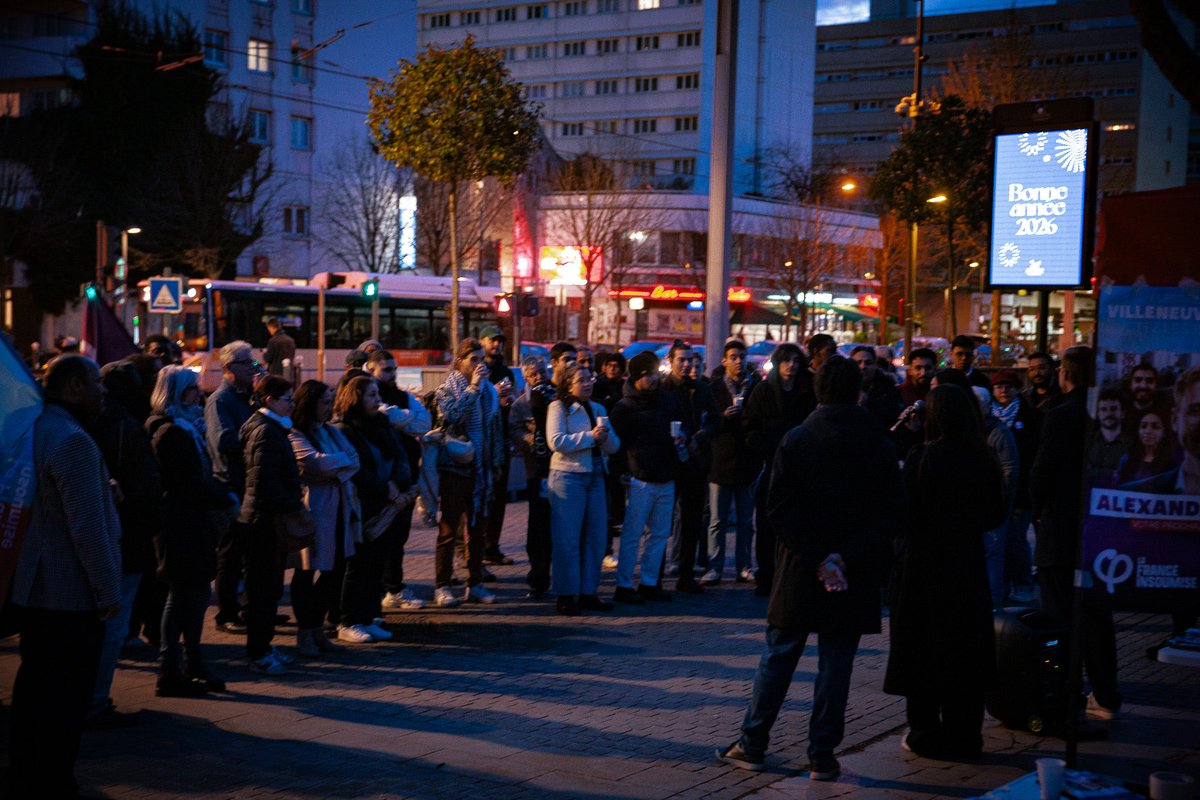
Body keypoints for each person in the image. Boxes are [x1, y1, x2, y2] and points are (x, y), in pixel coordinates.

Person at [718, 357, 901, 780]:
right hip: (853, 570)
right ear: (857, 391)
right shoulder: (877, 441)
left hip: (802, 566)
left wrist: (819, 557)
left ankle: (753, 742)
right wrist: (844, 558)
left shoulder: (799, 438)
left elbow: (779, 508)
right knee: (837, 663)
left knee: (780, 654)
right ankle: (822, 753)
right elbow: (891, 512)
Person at [8, 355, 122, 800]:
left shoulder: (35, 429)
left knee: (34, 685)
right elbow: (87, 529)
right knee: (65, 694)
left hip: (35, 587)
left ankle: (25, 773)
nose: (103, 390)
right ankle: (53, 780)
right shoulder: (73, 440)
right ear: (75, 385)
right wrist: (107, 590)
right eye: (96, 382)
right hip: (69, 593)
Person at [885, 383, 1007, 761]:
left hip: (925, 567)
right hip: (966, 565)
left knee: (923, 650)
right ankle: (965, 735)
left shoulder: (924, 456)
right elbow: (995, 513)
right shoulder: (983, 456)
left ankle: (924, 732)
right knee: (964, 652)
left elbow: (904, 512)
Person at [1031, 346, 1122, 720]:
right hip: (1100, 529)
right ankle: (1106, 693)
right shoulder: (1107, 413)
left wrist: (1038, 512)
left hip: (1062, 530)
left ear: (1065, 374)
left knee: (1059, 617)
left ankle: (1064, 692)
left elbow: (1042, 473)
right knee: (1096, 617)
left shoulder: (1061, 413)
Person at [146, 365, 233, 696]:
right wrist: (223, 496)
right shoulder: (170, 431)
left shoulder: (186, 426)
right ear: (175, 392)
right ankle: (171, 669)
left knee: (193, 594)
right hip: (180, 523)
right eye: (192, 389)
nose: (199, 394)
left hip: (191, 520)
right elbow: (187, 482)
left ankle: (190, 662)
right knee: (183, 594)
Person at [87, 360, 162, 726]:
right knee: (112, 622)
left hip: (95, 534)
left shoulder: (86, 423)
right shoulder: (127, 427)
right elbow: (146, 488)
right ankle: (95, 700)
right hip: (125, 535)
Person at [334, 375, 413, 642]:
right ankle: (348, 621)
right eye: (371, 395)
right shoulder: (345, 429)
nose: (378, 400)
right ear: (356, 398)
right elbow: (356, 468)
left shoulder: (382, 423)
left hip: (387, 503)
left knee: (377, 562)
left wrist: (397, 483)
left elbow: (401, 455)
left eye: (377, 394)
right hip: (363, 504)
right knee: (358, 565)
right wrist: (384, 488)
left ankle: (368, 617)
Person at [238, 375, 305, 675]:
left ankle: (263, 647)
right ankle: (258, 652)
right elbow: (263, 480)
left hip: (264, 517)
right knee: (262, 590)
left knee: (267, 589)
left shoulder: (269, 427)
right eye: (287, 399)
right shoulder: (265, 431)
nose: (292, 404)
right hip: (262, 520)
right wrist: (292, 503)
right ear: (270, 400)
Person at [289, 380, 360, 655]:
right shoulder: (295, 433)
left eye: (330, 401)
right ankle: (305, 632)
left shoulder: (330, 430)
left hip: (339, 507)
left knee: (336, 570)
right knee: (306, 572)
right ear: (310, 403)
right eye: (325, 402)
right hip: (314, 510)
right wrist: (338, 464)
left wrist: (333, 466)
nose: (329, 407)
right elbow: (314, 463)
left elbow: (354, 459)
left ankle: (316, 628)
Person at [433, 338, 505, 607]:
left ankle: (474, 584)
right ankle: (442, 585)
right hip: (455, 468)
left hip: (481, 468)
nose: (479, 364)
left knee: (477, 530)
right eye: (473, 359)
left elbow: (495, 429)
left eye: (481, 359)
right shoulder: (446, 389)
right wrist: (473, 387)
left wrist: (496, 463)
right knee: (449, 529)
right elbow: (452, 416)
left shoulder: (489, 392)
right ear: (459, 362)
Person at [610, 351, 684, 605]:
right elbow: (616, 446)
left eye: (655, 373)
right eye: (648, 375)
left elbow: (682, 426)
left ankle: (650, 582)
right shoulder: (624, 407)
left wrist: (682, 438)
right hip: (638, 478)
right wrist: (621, 472)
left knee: (660, 534)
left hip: (666, 475)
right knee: (632, 535)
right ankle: (624, 585)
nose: (654, 379)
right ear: (637, 377)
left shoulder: (668, 400)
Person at [547, 362, 621, 615]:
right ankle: (566, 594)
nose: (588, 383)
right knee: (567, 539)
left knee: (596, 538)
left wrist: (605, 437)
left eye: (590, 378)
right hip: (568, 477)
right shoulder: (558, 407)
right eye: (581, 380)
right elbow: (556, 441)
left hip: (596, 476)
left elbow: (614, 446)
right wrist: (590, 437)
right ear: (568, 385)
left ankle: (589, 592)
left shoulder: (599, 408)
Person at [743, 343, 817, 596]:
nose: (791, 366)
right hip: (771, 464)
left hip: (800, 465)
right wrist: (765, 449)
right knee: (767, 524)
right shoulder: (763, 390)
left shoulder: (807, 390)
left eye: (795, 361)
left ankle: (793, 575)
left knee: (797, 522)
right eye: (786, 361)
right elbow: (750, 427)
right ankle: (766, 576)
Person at [364, 349, 432, 611]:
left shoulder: (403, 396)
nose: (393, 374)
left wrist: (400, 418)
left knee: (399, 534)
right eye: (387, 369)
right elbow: (391, 417)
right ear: (371, 369)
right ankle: (386, 589)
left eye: (394, 369)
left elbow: (423, 423)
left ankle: (392, 587)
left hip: (406, 475)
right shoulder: (369, 395)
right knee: (382, 534)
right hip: (384, 479)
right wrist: (404, 417)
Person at [206, 341, 259, 634]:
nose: (252, 368)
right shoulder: (220, 401)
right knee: (231, 553)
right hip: (231, 483)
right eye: (246, 363)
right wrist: (257, 437)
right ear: (228, 368)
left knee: (250, 553)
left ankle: (251, 609)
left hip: (249, 482)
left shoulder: (247, 397)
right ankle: (226, 613)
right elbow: (223, 441)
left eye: (253, 362)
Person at [660, 340, 718, 593]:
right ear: (670, 361)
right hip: (668, 463)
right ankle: (654, 578)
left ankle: (685, 574)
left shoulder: (702, 388)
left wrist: (699, 437)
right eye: (681, 360)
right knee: (662, 522)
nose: (686, 365)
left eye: (690, 360)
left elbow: (716, 421)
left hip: (695, 462)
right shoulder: (663, 389)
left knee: (692, 520)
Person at [703, 340, 760, 585]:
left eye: (742, 356)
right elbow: (708, 423)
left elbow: (759, 419)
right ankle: (714, 567)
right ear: (724, 360)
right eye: (733, 357)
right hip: (720, 460)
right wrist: (723, 417)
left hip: (747, 462)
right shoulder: (714, 388)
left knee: (746, 521)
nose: (738, 361)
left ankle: (744, 566)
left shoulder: (755, 386)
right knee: (717, 521)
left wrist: (745, 416)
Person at [991, 368, 1041, 603]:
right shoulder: (987, 417)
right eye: (999, 387)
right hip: (996, 490)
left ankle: (1022, 585)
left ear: (1017, 389)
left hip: (1021, 490)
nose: (1004, 391)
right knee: (998, 541)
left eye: (1009, 386)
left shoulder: (1030, 416)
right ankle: (1002, 585)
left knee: (1016, 538)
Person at [509, 356, 557, 598]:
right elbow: (515, 433)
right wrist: (536, 439)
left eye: (542, 372)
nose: (539, 377)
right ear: (525, 378)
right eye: (533, 374)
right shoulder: (520, 406)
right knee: (538, 525)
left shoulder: (557, 397)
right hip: (537, 471)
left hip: (560, 468)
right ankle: (538, 577)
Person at [973, 386, 1020, 608]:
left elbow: (1010, 468)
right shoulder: (976, 430)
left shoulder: (997, 432)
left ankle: (993, 598)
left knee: (993, 550)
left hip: (994, 501)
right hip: (981, 500)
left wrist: (999, 497)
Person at [479, 325, 518, 566]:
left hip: (501, 440)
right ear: (482, 342)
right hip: (480, 440)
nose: (497, 344)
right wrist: (492, 393)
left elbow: (509, 404)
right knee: (480, 495)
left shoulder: (506, 372)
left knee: (499, 496)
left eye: (500, 341)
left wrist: (509, 402)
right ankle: (472, 549)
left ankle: (492, 547)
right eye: (492, 340)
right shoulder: (477, 370)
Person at [1086, 388, 1134, 485]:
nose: (1108, 414)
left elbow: (1129, 475)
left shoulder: (1132, 444)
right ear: (1098, 414)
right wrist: (1110, 474)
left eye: (1113, 409)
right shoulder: (1087, 441)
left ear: (1122, 413)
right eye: (1104, 409)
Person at [1116, 408, 1175, 485]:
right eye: (1143, 426)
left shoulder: (1172, 463)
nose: (1148, 431)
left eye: (1155, 427)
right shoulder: (1126, 460)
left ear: (1164, 432)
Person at [853, 344, 903, 430]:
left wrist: (869, 403)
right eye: (858, 363)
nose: (863, 366)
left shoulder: (888, 388)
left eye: (868, 363)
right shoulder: (842, 387)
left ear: (875, 365)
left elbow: (893, 416)